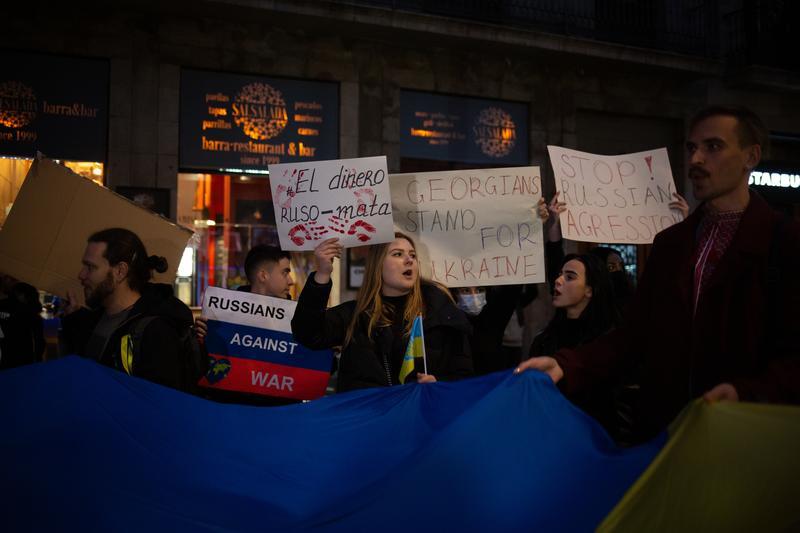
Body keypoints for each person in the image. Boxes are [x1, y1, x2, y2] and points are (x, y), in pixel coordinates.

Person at [516, 105, 800, 442]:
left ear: (750, 157)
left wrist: (746, 393)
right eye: (691, 148)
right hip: (665, 436)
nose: (696, 159)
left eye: (713, 146)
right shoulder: (670, 244)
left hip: (745, 440)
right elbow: (634, 335)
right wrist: (567, 365)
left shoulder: (785, 242)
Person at [291, 232, 472, 392]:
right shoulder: (355, 315)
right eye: (398, 254)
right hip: (368, 416)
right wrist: (322, 274)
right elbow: (307, 333)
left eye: (412, 255)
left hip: (421, 415)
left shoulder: (440, 313)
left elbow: (464, 375)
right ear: (378, 265)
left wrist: (439, 385)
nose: (409, 260)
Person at [60, 228, 195, 392]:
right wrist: (73, 320)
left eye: (90, 267)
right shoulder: (94, 318)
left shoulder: (155, 331)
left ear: (120, 271)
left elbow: (157, 400)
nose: (81, 275)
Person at [195, 245, 299, 406]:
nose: (291, 281)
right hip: (232, 407)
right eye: (285, 272)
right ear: (263, 275)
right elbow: (203, 367)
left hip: (277, 411)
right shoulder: (222, 315)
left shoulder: (297, 319)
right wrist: (199, 339)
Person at [0, 273, 45, 370]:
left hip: (6, 359)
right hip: (24, 362)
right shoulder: (32, 315)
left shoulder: (4, 306)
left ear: (21, 295)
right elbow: (38, 342)